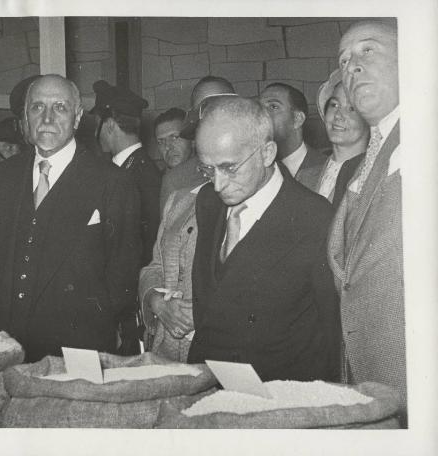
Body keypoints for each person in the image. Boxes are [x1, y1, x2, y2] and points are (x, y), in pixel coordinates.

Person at [0, 74, 141, 362]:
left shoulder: (111, 181)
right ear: (25, 117)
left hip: (78, 345)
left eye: (60, 107)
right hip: (9, 345)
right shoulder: (5, 175)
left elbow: (123, 274)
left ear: (78, 117)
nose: (47, 118)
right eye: (37, 107)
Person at [187, 96, 340, 382]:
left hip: (275, 394)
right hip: (210, 382)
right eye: (208, 169)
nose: (218, 184)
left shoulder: (314, 217)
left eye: (230, 168)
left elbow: (331, 329)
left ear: (267, 153)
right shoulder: (208, 201)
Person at [327, 20, 406, 415]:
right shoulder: (359, 164)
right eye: (344, 59)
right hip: (363, 373)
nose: (351, 66)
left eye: (367, 51)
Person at [91, 79, 161, 355]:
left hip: (127, 310)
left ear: (108, 125)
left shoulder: (129, 177)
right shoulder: (140, 170)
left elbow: (133, 253)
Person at [139, 185, 201, 362]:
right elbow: (156, 266)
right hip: (165, 343)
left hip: (210, 349)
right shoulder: (179, 199)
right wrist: (155, 300)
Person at [159, 76, 234, 212]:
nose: (215, 117)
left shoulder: (259, 163)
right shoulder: (177, 182)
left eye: (223, 106)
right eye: (204, 109)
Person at [315, 69, 368, 208]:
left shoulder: (372, 177)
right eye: (334, 105)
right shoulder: (305, 176)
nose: (338, 115)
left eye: (351, 108)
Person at [260, 83, 326, 191]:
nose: (262, 113)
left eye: (273, 107)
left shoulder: (326, 169)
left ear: (297, 119)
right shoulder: (253, 168)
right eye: (259, 107)